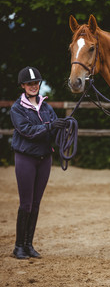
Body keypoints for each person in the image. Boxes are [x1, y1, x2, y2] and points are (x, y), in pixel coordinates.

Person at [10, 66, 66, 259]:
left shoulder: (46, 107)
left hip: (44, 159)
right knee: (25, 203)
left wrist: (62, 127)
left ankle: (28, 245)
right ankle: (18, 246)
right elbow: (27, 130)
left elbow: (52, 131)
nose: (33, 86)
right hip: (26, 158)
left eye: (36, 83)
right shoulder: (17, 108)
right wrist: (50, 125)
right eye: (29, 83)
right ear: (23, 86)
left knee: (36, 203)